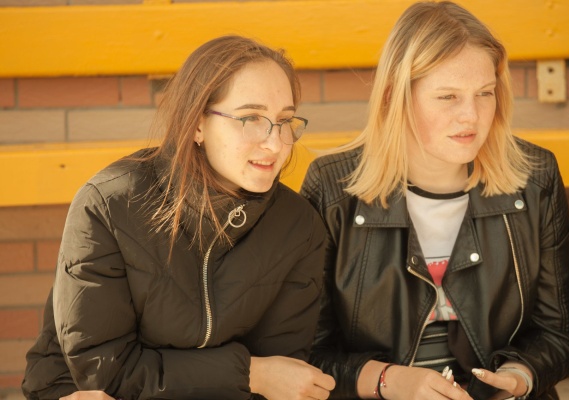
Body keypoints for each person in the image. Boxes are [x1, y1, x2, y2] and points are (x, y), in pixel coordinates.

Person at [22, 35, 335, 400]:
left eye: (284, 120)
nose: (276, 143)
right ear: (197, 123)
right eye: (251, 118)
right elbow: (105, 372)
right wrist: (250, 373)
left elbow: (282, 376)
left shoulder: (298, 226)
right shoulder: (109, 205)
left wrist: (259, 378)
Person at [300, 2, 569, 399]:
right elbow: (306, 354)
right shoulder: (332, 188)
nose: (471, 116)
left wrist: (518, 377)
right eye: (448, 96)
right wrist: (388, 381)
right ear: (396, 97)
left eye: (484, 93)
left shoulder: (535, 179)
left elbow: (559, 336)